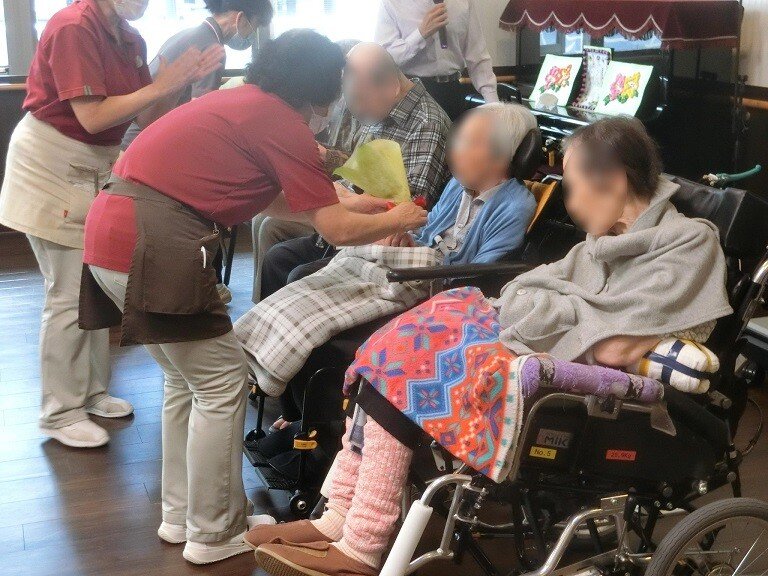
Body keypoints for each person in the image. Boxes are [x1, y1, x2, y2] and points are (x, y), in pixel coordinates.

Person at [243, 117, 733, 576]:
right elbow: (540, 289)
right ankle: (337, 517)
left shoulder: (688, 244)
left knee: (417, 370)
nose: (569, 201)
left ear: (615, 181)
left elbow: (615, 344)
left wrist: (553, 310)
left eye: (572, 184)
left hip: (579, 378)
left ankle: (363, 543)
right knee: (397, 346)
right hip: (527, 337)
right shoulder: (602, 242)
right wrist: (549, 308)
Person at [79, 29, 427, 565]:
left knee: (187, 382)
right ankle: (214, 531)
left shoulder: (243, 102)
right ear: (319, 87)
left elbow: (275, 202)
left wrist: (357, 207)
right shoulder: (281, 122)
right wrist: (399, 216)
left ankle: (183, 515)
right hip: (154, 242)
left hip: (111, 232)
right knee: (222, 381)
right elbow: (333, 230)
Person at [0, 0, 223, 449]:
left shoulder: (129, 37)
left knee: (94, 283)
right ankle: (60, 412)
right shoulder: (73, 26)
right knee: (67, 293)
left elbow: (144, 116)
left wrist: (180, 84)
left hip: (94, 163)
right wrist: (164, 83)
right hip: (53, 162)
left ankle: (91, 393)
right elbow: (92, 116)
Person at [241, 101, 538, 434]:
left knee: (321, 334)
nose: (456, 150)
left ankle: (310, 427)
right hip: (407, 267)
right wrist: (404, 236)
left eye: (470, 142)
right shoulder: (459, 185)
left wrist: (418, 254)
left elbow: (479, 274)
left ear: (500, 155)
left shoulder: (516, 205)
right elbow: (427, 231)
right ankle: (292, 409)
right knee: (300, 281)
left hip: (432, 288)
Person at [258, 42, 452, 301]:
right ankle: (268, 321)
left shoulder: (427, 124)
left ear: (391, 86)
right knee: (277, 256)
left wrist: (343, 200)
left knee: (295, 269)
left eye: (359, 100)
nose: (356, 110)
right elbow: (355, 175)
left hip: (383, 239)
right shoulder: (380, 108)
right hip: (357, 217)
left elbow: (410, 208)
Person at [120, 0, 273, 305]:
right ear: (241, 18)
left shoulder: (189, 35)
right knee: (209, 201)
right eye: (254, 27)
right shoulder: (212, 47)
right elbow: (202, 113)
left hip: (138, 140)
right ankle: (205, 282)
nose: (250, 36)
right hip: (149, 143)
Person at [250, 38, 361, 303]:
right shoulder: (328, 105)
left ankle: (269, 303)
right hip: (335, 187)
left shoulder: (358, 103)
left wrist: (325, 156)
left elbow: (353, 162)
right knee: (261, 219)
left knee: (270, 226)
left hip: (342, 190)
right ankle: (263, 303)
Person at [375, 0, 499, 120]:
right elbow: (383, 60)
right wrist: (420, 34)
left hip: (453, 91)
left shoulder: (464, 2)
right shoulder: (392, 3)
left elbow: (477, 54)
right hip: (410, 92)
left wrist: (494, 106)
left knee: (455, 135)